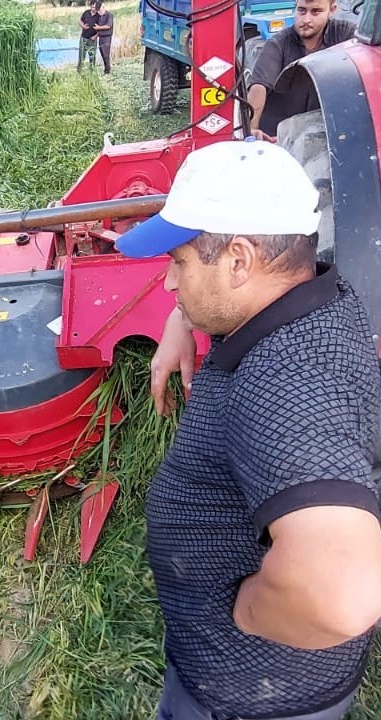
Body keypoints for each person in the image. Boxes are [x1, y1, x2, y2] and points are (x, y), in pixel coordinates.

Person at [116, 138, 381, 720]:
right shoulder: (311, 295)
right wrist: (182, 321)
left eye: (179, 262)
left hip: (250, 694)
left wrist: (247, 613)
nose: (167, 283)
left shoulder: (291, 386)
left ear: (239, 260)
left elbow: (342, 592)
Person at [247, 0, 357, 140]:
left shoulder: (345, 34)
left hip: (327, 133)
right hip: (279, 137)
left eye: (316, 11)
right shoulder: (278, 44)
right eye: (302, 10)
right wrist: (252, 128)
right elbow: (259, 85)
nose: (306, 19)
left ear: (332, 10)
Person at [80, 0, 113, 74]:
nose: (99, 12)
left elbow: (108, 26)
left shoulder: (109, 15)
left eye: (99, 10)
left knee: (105, 54)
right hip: (99, 37)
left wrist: (98, 28)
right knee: (101, 53)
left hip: (106, 37)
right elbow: (80, 20)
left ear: (103, 7)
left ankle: (107, 70)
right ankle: (105, 70)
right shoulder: (96, 15)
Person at [77, 0, 100, 72]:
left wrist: (95, 36)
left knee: (92, 56)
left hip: (92, 39)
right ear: (90, 6)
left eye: (95, 7)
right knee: (81, 55)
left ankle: (92, 70)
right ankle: (79, 70)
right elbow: (79, 20)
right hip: (84, 38)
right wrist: (83, 26)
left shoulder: (99, 16)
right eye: (93, 7)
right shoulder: (86, 13)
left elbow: (101, 29)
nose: (94, 9)